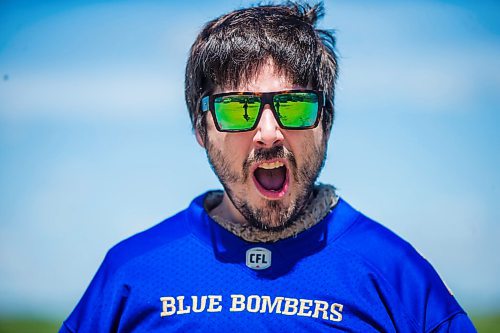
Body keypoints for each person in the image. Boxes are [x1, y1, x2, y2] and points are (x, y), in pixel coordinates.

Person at [60, 3, 477, 332]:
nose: (268, 134)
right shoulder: (131, 273)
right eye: (238, 109)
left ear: (325, 123)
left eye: (294, 106)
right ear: (200, 129)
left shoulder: (396, 274)